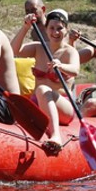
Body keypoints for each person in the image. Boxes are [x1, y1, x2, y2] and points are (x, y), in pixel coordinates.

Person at [13, 9, 79, 153]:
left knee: (42, 89)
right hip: (38, 105)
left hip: (63, 108)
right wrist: (25, 27)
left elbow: (75, 70)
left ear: (66, 30)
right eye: (52, 28)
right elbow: (14, 50)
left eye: (60, 28)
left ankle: (56, 135)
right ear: (46, 29)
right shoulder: (38, 47)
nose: (56, 32)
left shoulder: (70, 52)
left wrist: (61, 66)